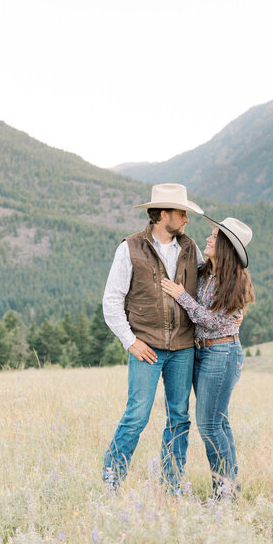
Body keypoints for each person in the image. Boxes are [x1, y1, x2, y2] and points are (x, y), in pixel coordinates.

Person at [102, 183, 205, 491]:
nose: (186, 219)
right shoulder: (130, 248)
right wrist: (130, 340)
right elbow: (111, 300)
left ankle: (172, 488)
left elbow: (209, 284)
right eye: (182, 213)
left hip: (183, 348)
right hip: (146, 347)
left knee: (179, 418)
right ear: (163, 215)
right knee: (136, 416)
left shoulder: (191, 248)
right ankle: (111, 484)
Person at [161, 216, 254, 500]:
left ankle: (224, 494)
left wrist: (181, 296)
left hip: (221, 353)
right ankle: (229, 491)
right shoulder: (205, 272)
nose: (209, 239)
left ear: (225, 246)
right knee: (219, 423)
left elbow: (211, 320)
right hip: (204, 351)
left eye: (215, 236)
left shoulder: (234, 279)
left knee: (210, 425)